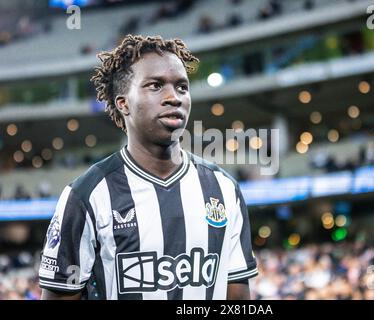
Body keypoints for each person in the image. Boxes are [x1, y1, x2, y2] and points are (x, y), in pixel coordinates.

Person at [39, 35, 258, 300]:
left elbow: (237, 295)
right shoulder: (86, 195)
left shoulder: (223, 188)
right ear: (123, 103)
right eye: (156, 86)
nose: (173, 97)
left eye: (182, 87)